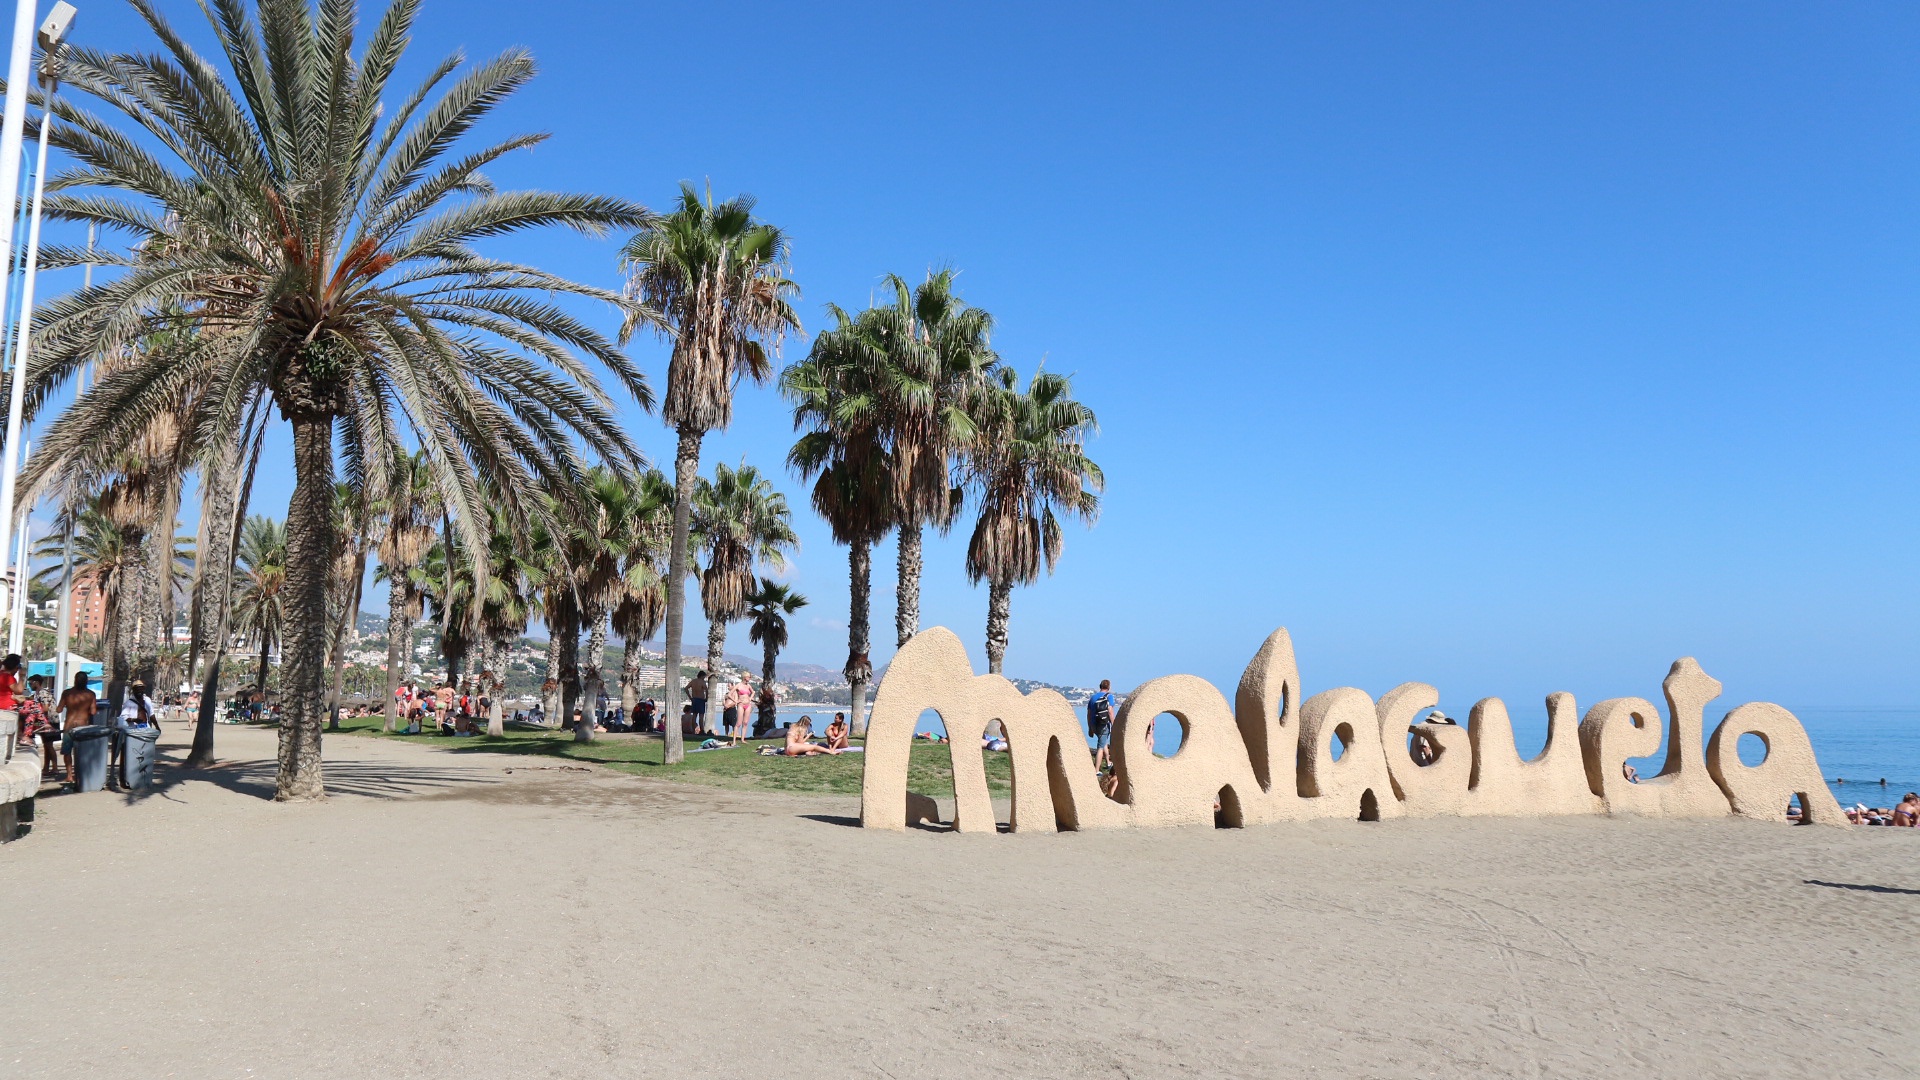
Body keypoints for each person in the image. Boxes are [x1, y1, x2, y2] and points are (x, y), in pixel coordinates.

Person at [56, 672, 98, 785]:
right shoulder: (91, 694)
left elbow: (59, 709)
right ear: (86, 681)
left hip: (69, 725)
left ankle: (69, 775)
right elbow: (93, 712)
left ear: (75, 680)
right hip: (83, 725)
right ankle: (80, 774)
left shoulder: (67, 693)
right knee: (82, 751)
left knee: (67, 751)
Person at [1087, 680, 1118, 770]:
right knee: (1100, 747)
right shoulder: (1109, 697)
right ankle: (1096, 770)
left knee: (1103, 742)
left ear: (1100, 686)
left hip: (1094, 724)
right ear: (1109, 687)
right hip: (1103, 725)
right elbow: (1110, 711)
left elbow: (1089, 714)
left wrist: (1090, 727)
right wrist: (1114, 725)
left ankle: (1108, 762)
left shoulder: (1093, 698)